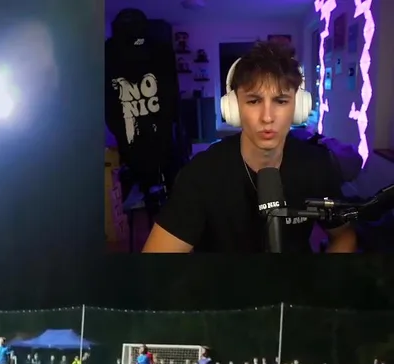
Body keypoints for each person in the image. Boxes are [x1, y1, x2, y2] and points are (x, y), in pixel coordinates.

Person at [142, 41, 357, 253]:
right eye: (254, 101)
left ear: (298, 107)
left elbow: (344, 235)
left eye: (281, 101)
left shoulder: (316, 164)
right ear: (233, 108)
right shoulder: (201, 174)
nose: (267, 117)